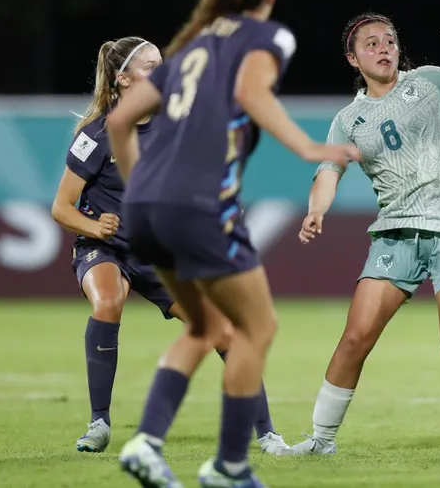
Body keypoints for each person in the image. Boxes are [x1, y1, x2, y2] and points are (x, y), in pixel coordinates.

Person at [106, 0, 359, 487]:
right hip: (200, 205)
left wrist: (139, 191)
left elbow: (120, 119)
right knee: (257, 326)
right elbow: (250, 90)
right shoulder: (268, 37)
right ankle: (229, 465)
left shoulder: (188, 48)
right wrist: (309, 148)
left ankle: (147, 444)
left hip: (147, 206)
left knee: (206, 326)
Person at [289, 0, 440, 457]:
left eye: (390, 41)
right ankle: (321, 441)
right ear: (353, 59)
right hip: (397, 233)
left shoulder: (430, 82)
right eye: (371, 44)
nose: (384, 49)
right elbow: (327, 174)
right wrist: (317, 209)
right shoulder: (348, 121)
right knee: (355, 338)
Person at [51, 36, 286, 456]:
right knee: (108, 301)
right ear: (124, 80)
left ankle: (268, 435)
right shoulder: (95, 135)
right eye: (151, 66)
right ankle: (99, 423)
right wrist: (95, 226)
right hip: (105, 248)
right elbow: (60, 208)